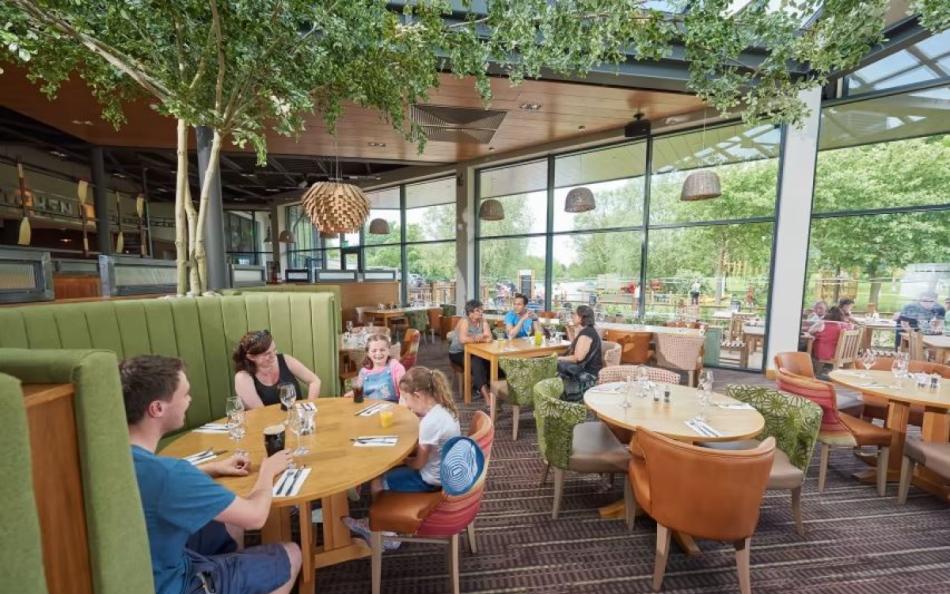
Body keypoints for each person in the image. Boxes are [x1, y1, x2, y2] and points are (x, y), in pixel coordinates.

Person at [120, 355, 301, 594]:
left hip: (139, 572)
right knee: (292, 553)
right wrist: (267, 471)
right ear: (157, 408)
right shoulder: (173, 475)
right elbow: (256, 517)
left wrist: (212, 468)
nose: (189, 400)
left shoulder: (117, 460)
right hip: (173, 584)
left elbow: (157, 483)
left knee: (223, 520)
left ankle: (232, 573)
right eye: (184, 394)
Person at [342, 367, 461, 550]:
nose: (406, 404)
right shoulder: (444, 408)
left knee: (378, 478)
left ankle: (386, 533)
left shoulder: (430, 423)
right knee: (392, 468)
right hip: (448, 474)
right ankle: (386, 525)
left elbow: (418, 464)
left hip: (431, 481)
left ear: (418, 395)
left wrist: (403, 461)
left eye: (406, 398)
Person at [233, 330, 321, 409]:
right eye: (267, 354)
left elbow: (315, 381)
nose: (273, 356)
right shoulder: (243, 377)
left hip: (297, 420)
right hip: (267, 424)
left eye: (274, 350)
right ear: (251, 357)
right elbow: (260, 413)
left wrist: (308, 408)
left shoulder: (285, 360)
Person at [448, 299, 493, 402]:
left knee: (487, 361)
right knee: (476, 362)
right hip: (458, 353)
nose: (481, 312)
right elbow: (463, 340)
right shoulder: (465, 321)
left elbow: (489, 338)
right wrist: (479, 337)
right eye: (478, 310)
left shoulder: (483, 320)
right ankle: (487, 397)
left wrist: (476, 338)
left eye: (481, 309)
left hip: (475, 351)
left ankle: (480, 388)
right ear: (470, 313)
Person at [344, 333, 405, 404]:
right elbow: (360, 392)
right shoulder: (364, 372)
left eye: (382, 350)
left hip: (391, 407)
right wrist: (352, 394)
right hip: (368, 407)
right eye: (374, 351)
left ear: (388, 351)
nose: (378, 353)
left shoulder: (395, 367)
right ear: (368, 353)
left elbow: (404, 393)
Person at [558, 305, 603, 399]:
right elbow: (576, 344)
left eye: (574, 314)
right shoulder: (587, 331)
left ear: (581, 317)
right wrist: (570, 329)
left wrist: (557, 358)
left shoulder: (586, 334)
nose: (572, 316)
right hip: (587, 370)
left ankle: (561, 397)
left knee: (555, 364)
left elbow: (577, 358)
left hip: (588, 375)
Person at [806, 306, 852, 378]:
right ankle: (825, 370)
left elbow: (810, 330)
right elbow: (852, 327)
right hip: (840, 353)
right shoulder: (845, 326)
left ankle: (814, 372)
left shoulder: (824, 324)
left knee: (807, 347)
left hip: (825, 353)